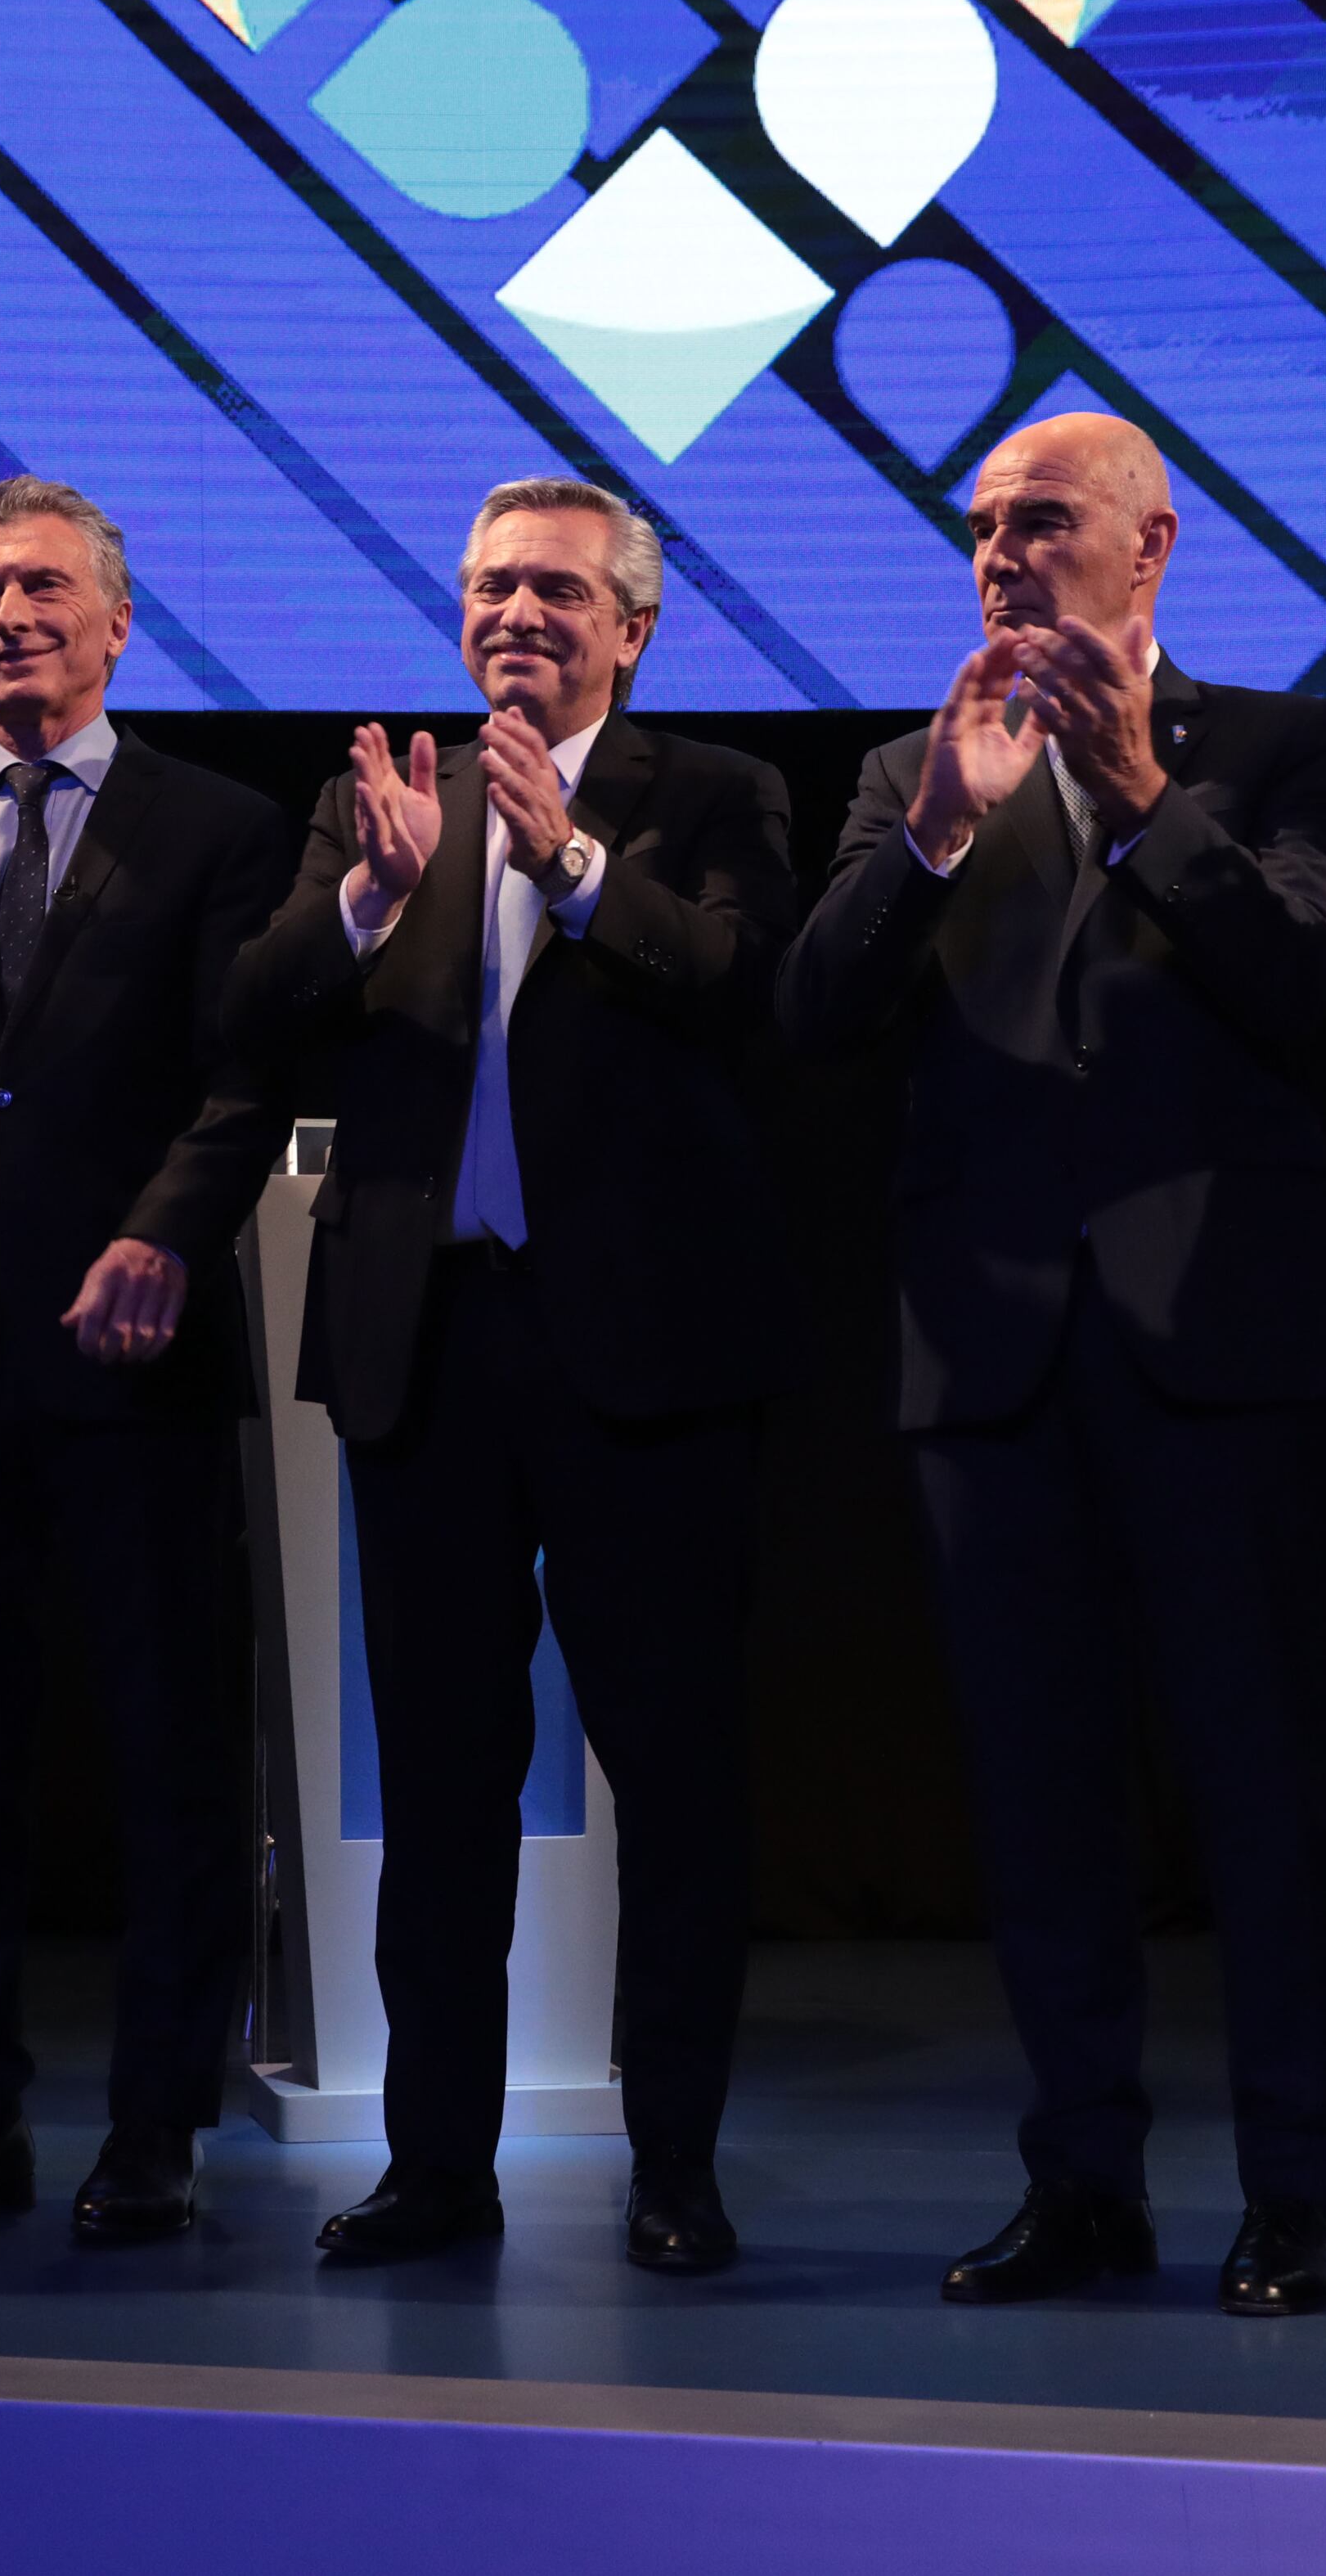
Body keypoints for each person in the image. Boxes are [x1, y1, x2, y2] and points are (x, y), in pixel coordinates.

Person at [775, 415, 1326, 2316]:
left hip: (1222, 1342)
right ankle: (1080, 2178)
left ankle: (1295, 2187)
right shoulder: (909, 768)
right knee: (1040, 1794)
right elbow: (815, 1010)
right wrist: (938, 833)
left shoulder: (1281, 743)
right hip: (991, 1355)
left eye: (1038, 518)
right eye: (979, 527)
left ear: (1150, 542)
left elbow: (1307, 978)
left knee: (1263, 1785)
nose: (999, 553)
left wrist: (1136, 794)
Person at [223, 478, 798, 2273]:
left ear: (633, 624)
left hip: (644, 1354)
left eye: (554, 587)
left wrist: (576, 868)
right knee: (442, 1780)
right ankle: (433, 2167)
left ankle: (675, 2165)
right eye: (488, 586)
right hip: (428, 1344)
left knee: (675, 1776)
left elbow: (749, 989)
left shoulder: (717, 793)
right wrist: (366, 898)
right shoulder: (381, 799)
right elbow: (248, 1013)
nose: (514, 614)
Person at [0, 479, 295, 2244]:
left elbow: (246, 1074)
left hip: (133, 1366)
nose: (4, 614)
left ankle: (156, 2125)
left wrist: (162, 1232)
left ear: (116, 620)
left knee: (168, 1763)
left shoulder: (221, 826)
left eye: (38, 586)